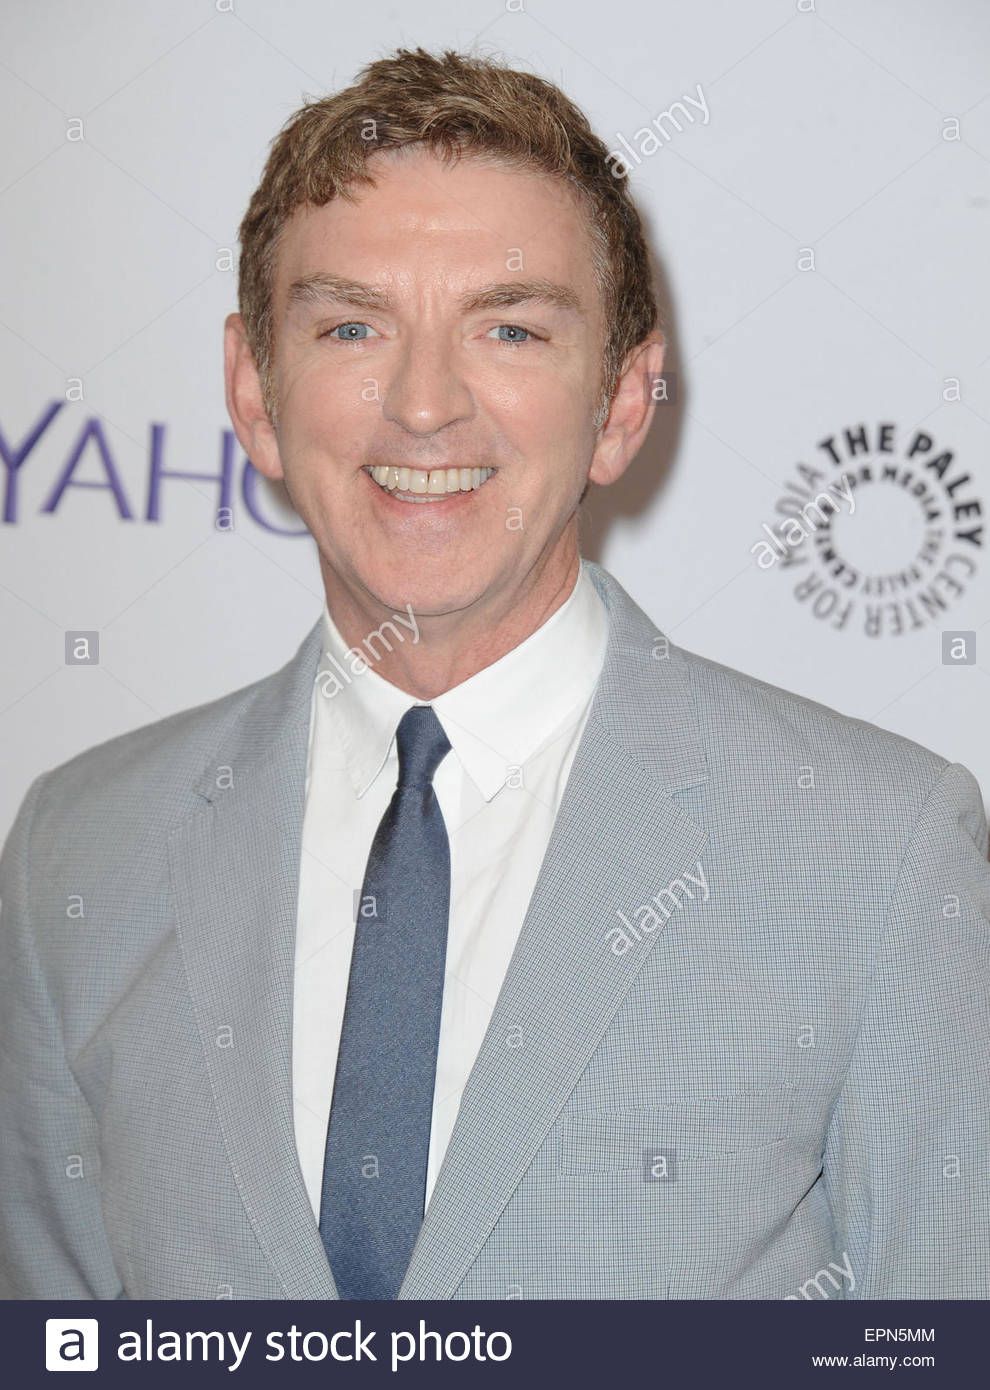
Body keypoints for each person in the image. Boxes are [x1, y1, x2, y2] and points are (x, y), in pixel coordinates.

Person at [1, 47, 987, 1302]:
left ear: (621, 402)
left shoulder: (878, 852)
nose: (424, 406)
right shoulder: (77, 850)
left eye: (509, 328)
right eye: (352, 327)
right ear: (253, 392)